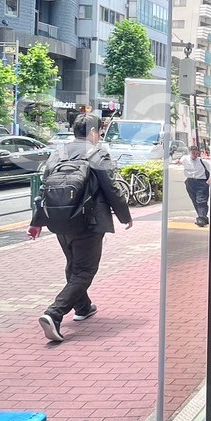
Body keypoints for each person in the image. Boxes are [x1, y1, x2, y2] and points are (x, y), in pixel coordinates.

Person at [28, 112, 132, 343]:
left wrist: (37, 222)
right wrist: (125, 216)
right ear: (93, 132)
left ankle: (83, 307)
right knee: (84, 271)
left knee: (73, 265)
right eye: (100, 132)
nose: (100, 136)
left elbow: (44, 189)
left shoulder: (58, 153)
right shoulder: (97, 154)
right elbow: (112, 188)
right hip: (89, 222)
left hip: (59, 220)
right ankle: (54, 313)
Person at [181, 144, 210, 227]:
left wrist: (209, 181)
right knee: (194, 200)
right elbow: (180, 161)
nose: (195, 155)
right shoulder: (185, 159)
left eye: (196, 153)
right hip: (190, 181)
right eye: (193, 153)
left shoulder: (202, 162)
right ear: (189, 153)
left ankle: (201, 218)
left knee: (201, 200)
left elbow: (210, 170)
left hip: (201, 182)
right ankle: (203, 217)